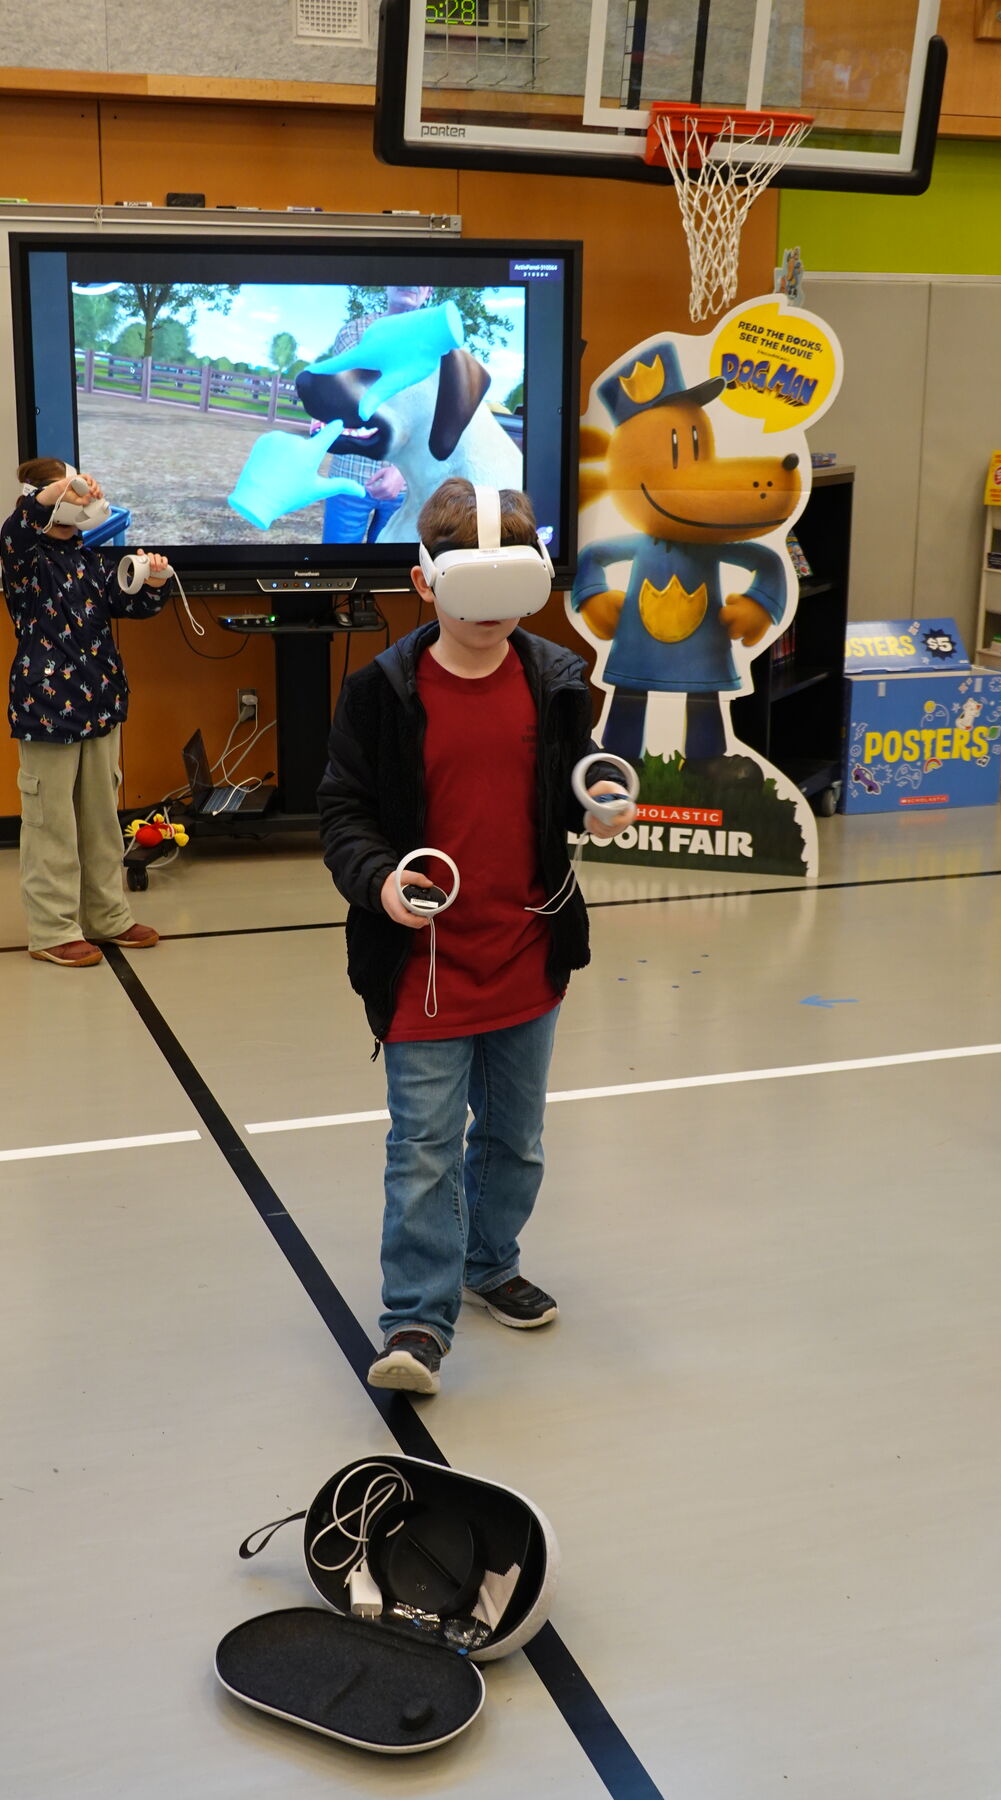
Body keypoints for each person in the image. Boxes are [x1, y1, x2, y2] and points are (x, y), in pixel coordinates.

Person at [317, 477, 635, 1396]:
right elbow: (343, 813)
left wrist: (602, 794)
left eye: (511, 603)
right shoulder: (382, 692)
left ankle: (489, 1261)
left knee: (515, 1138)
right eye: (472, 602)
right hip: (423, 966)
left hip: (528, 953)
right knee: (422, 1146)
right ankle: (417, 1319)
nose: (491, 623)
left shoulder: (554, 677)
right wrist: (380, 884)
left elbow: (580, 771)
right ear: (427, 586)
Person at [1, 459, 170, 968]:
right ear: (49, 495)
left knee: (100, 820)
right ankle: (52, 928)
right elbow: (22, 523)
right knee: (51, 822)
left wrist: (154, 581)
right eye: (73, 488)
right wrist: (61, 488)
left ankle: (107, 916)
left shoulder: (85, 557)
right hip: (47, 709)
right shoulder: (25, 554)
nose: (86, 495)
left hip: (99, 707)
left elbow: (128, 605)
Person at [318, 285, 433, 544]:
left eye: (421, 281)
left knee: (389, 575)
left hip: (408, 488)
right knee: (337, 569)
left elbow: (431, 415)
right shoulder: (354, 332)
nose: (410, 282)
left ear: (429, 292)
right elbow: (353, 399)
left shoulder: (435, 346)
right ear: (386, 284)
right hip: (351, 478)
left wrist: (401, 470)